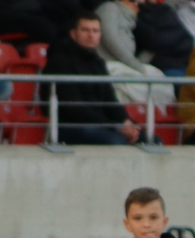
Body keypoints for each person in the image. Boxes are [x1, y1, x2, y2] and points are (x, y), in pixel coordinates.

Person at [42, 11, 143, 144]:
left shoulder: (98, 62)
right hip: (69, 126)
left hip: (100, 125)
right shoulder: (59, 62)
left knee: (151, 140)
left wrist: (126, 122)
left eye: (95, 31)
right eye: (85, 30)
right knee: (116, 141)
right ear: (73, 33)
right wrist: (116, 127)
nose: (91, 35)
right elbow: (74, 109)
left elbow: (110, 100)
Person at [96, 0, 171, 106]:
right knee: (137, 86)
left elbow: (134, 59)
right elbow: (111, 39)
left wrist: (153, 48)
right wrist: (138, 67)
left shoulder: (133, 25)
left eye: (141, 4)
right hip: (105, 65)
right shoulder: (110, 7)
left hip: (123, 68)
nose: (136, 4)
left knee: (159, 80)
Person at [133, 0, 195, 76]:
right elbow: (154, 40)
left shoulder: (166, 9)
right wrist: (176, 38)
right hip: (160, 68)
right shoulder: (137, 12)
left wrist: (167, 41)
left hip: (183, 63)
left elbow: (188, 40)